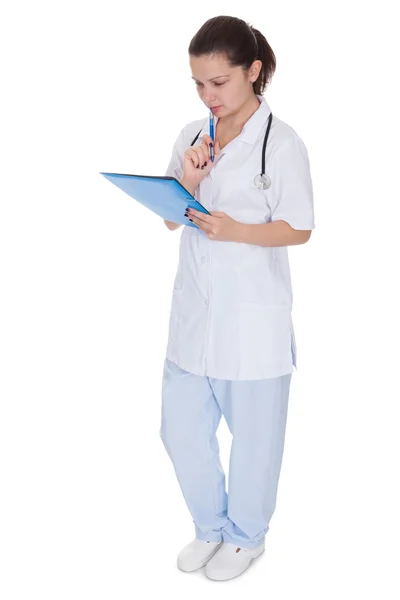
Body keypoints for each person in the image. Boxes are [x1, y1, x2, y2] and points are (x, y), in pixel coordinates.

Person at [160, 15, 315, 581]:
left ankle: (246, 538)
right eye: (199, 84)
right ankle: (209, 527)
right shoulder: (191, 136)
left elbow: (299, 228)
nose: (208, 95)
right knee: (179, 430)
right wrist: (191, 186)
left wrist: (236, 228)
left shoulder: (284, 143)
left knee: (254, 443)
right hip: (194, 317)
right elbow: (172, 222)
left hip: (254, 326)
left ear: (253, 72)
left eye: (219, 82)